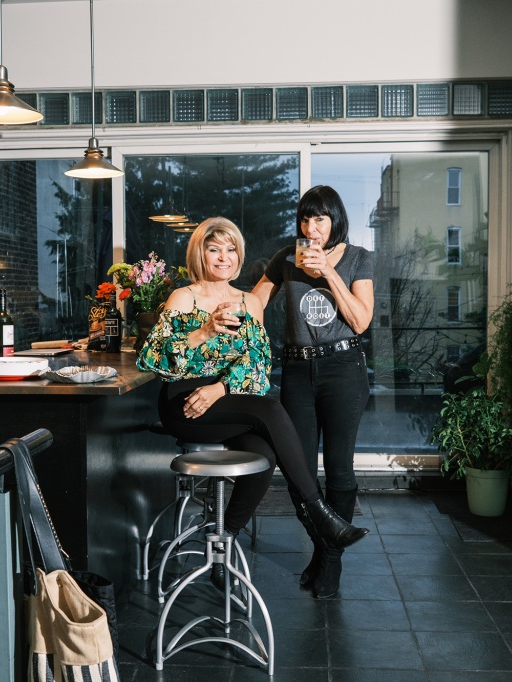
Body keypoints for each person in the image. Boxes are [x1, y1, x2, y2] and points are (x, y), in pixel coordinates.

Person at [137, 216, 368, 589]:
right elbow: (151, 360)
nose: (224, 258)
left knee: (264, 457)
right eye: (214, 250)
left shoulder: (249, 302)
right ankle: (321, 514)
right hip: (186, 403)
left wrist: (222, 389)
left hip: (226, 400)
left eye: (231, 250)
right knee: (273, 410)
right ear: (200, 255)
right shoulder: (184, 298)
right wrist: (203, 331)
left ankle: (222, 545)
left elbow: (258, 369)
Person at [251, 185, 374, 599]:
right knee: (297, 472)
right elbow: (254, 303)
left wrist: (329, 273)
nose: (311, 227)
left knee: (339, 469)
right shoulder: (287, 257)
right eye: (305, 218)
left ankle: (329, 562)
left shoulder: (359, 258)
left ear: (335, 219)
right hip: (297, 369)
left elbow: (360, 322)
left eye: (319, 218)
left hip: (343, 369)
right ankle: (329, 546)